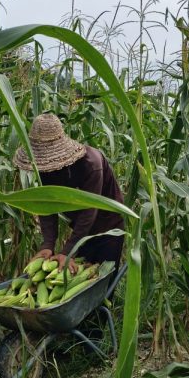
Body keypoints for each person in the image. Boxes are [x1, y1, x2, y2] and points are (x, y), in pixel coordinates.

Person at [13, 113, 124, 275]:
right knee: (80, 274)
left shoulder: (91, 164)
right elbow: (47, 205)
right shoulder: (45, 168)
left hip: (108, 227)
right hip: (81, 229)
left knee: (103, 277)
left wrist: (67, 251)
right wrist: (48, 244)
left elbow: (89, 210)